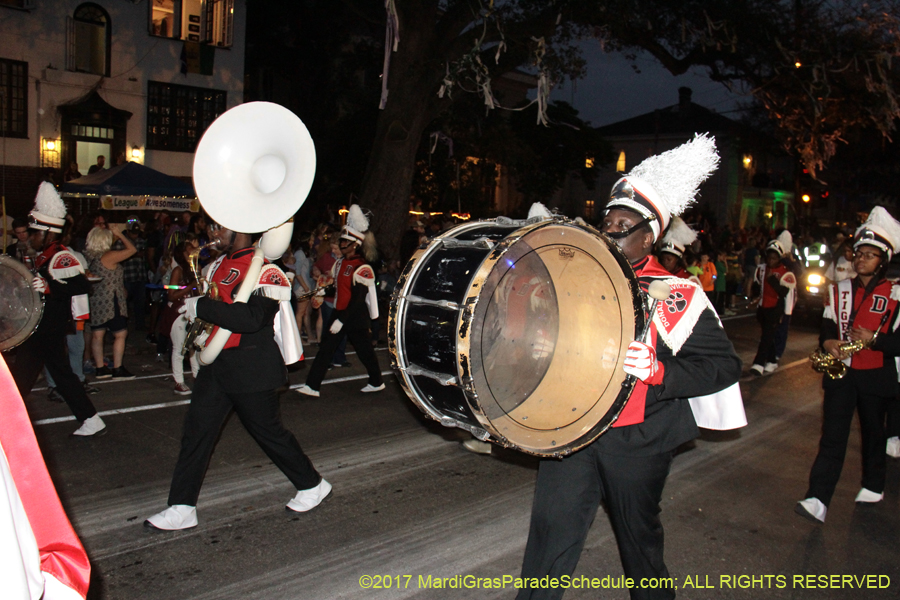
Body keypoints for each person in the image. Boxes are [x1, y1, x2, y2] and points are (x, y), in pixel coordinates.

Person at [516, 135, 742, 600]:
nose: (609, 231)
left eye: (623, 225)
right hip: (573, 428)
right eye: (607, 221)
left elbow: (723, 367)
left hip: (638, 439)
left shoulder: (678, 293)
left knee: (639, 546)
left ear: (648, 236)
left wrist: (660, 371)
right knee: (548, 540)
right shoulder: (576, 278)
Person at [145, 222, 328, 530]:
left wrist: (201, 306)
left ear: (240, 228)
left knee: (269, 434)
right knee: (196, 433)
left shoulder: (267, 271)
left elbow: (251, 319)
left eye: (218, 228)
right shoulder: (218, 265)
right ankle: (182, 507)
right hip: (217, 366)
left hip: (251, 368)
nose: (212, 234)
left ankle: (312, 484)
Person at [796, 207, 900, 523]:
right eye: (858, 253)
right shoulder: (838, 289)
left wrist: (874, 340)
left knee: (873, 433)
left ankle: (873, 484)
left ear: (883, 260)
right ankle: (817, 498)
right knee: (832, 435)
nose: (860, 260)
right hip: (841, 374)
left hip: (876, 374)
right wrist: (828, 343)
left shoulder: (896, 293)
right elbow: (828, 325)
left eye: (869, 255)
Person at [5, 183, 106, 437]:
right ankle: (91, 419)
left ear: (49, 233)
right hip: (43, 326)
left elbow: (81, 284)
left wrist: (49, 287)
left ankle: (6, 421)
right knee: (60, 376)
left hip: (49, 327)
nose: (32, 236)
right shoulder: (44, 255)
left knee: (26, 378)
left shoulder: (61, 256)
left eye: (36, 232)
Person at [296, 205, 385, 398]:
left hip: (353, 316)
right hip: (340, 312)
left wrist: (342, 319)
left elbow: (358, 299)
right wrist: (321, 290)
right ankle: (312, 386)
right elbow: (340, 289)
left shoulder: (362, 267)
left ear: (355, 244)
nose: (340, 243)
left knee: (365, 352)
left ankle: (377, 381)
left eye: (345, 241)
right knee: (326, 349)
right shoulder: (340, 263)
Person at [84, 223, 137, 380]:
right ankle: (118, 368)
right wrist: (120, 235)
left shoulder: (90, 257)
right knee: (120, 334)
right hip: (110, 301)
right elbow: (132, 250)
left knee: (97, 334)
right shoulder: (108, 256)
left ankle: (100, 368)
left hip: (96, 299)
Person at [749, 231, 795, 375]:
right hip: (763, 307)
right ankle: (772, 361)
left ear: (780, 258)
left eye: (774, 258)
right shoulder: (761, 269)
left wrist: (773, 281)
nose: (771, 261)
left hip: (776, 309)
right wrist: (753, 295)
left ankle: (758, 364)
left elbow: (784, 293)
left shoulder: (786, 273)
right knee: (767, 336)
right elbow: (757, 285)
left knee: (766, 337)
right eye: (769, 257)